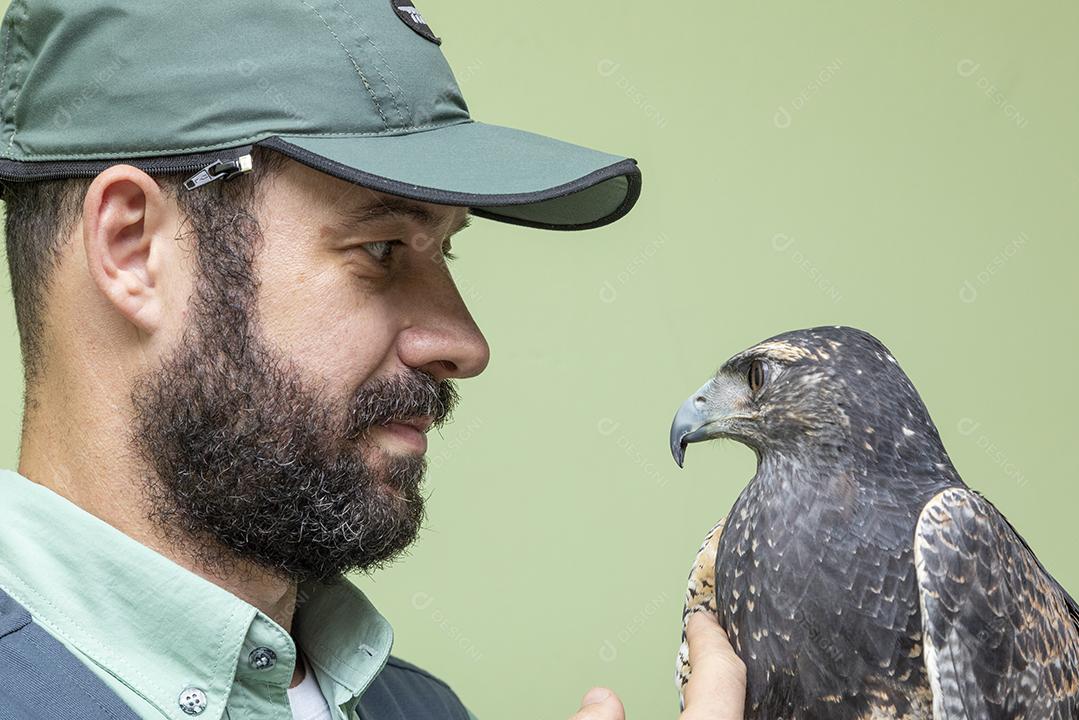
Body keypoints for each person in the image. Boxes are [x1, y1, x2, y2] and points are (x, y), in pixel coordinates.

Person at [0, 1, 745, 718]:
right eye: (380, 248)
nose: (465, 344)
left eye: (446, 247)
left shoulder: (425, 710)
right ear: (132, 249)